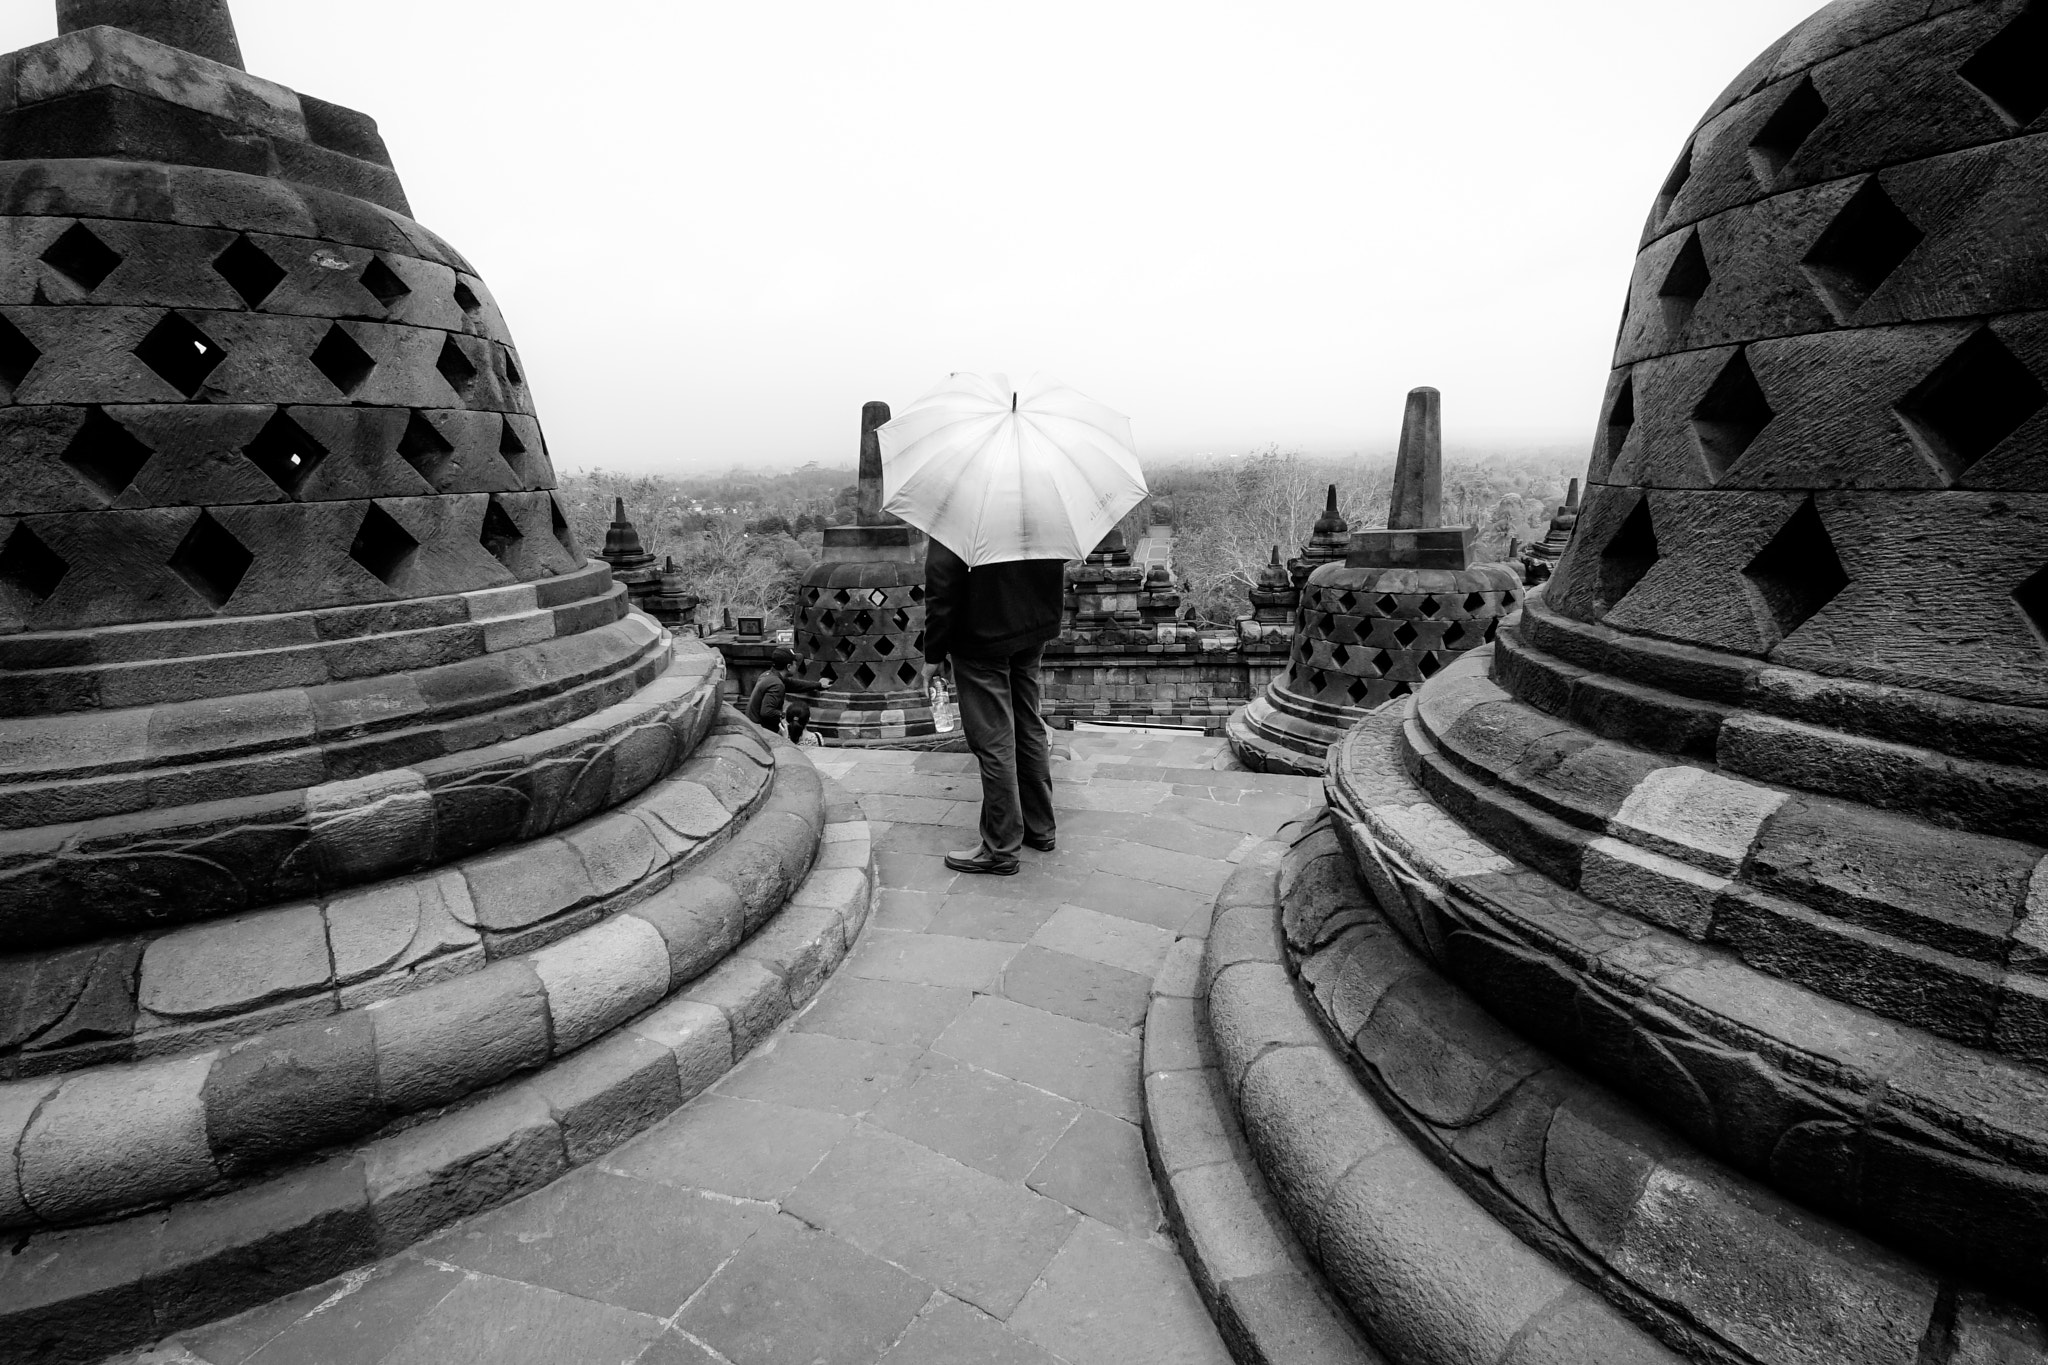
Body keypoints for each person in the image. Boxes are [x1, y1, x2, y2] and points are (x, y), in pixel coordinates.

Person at [924, 538, 1065, 875]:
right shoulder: (1042, 496)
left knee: (993, 738)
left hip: (982, 634)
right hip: (1033, 626)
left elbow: (942, 584)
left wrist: (933, 653)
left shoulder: (961, 505)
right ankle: (1040, 827)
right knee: (1027, 722)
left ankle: (1000, 846)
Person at [745, 648, 792, 736]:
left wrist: (818, 685)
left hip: (752, 726)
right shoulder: (777, 684)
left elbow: (793, 684)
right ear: (789, 667)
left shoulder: (767, 675)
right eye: (796, 663)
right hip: (760, 732)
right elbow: (767, 712)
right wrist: (785, 715)